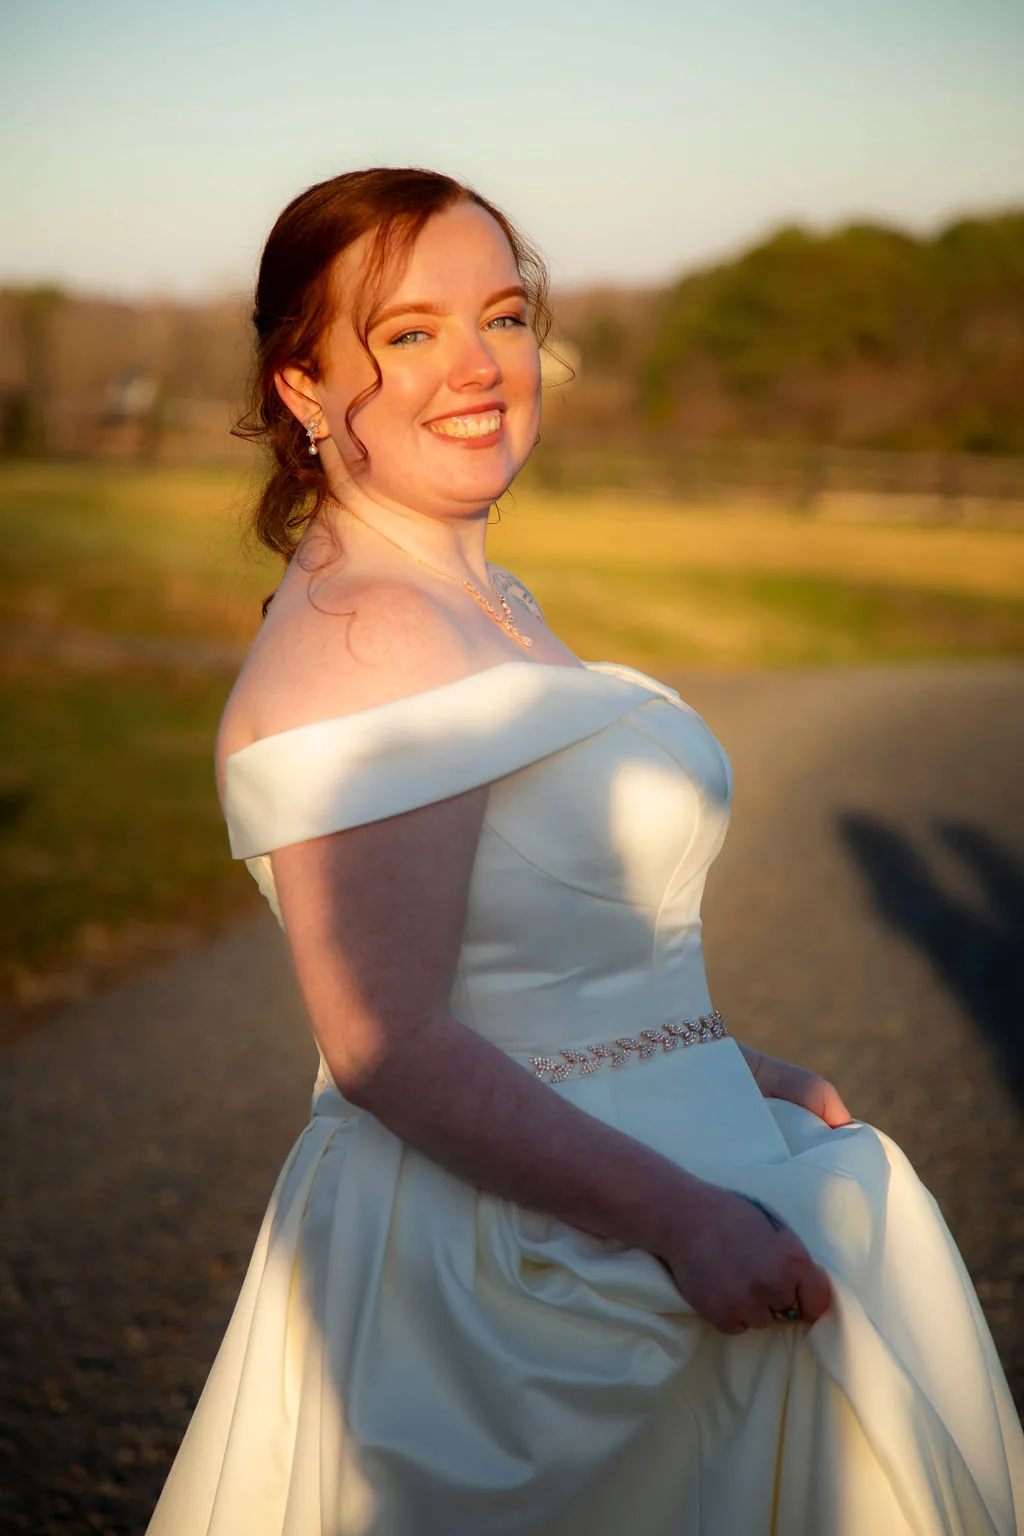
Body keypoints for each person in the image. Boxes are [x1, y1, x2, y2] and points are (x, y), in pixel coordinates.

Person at [147, 167, 1024, 1536]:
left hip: (642, 1176)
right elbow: (386, 1043)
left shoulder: (480, 595)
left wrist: (729, 1070)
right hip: (524, 1281)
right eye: (408, 333)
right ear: (304, 387)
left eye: (500, 315)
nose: (481, 366)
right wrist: (684, 1219)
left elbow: (541, 959)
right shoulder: (370, 636)